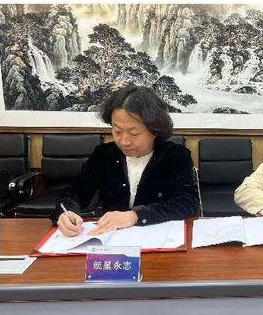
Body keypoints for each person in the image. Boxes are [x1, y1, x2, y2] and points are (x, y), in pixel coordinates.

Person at [52, 85, 199, 236]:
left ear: (155, 131)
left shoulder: (176, 156)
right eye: (117, 131)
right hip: (110, 240)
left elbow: (189, 204)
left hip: (160, 239)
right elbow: (75, 192)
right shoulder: (103, 155)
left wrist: (136, 216)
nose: (124, 141)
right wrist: (67, 212)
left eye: (134, 133)